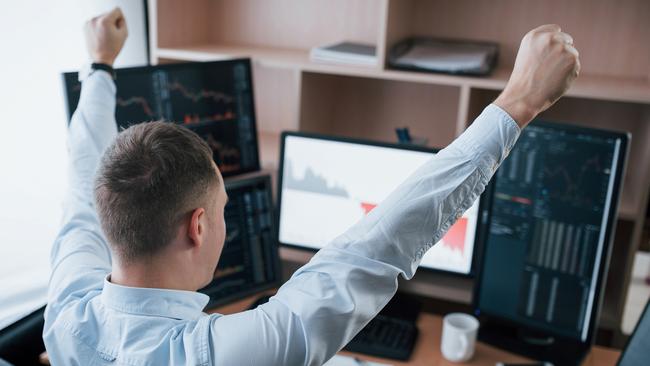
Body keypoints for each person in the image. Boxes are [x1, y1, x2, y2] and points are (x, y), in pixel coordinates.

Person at [43, 7, 580, 366]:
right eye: (223, 209)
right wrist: (519, 103)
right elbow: (376, 247)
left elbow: (80, 173)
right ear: (198, 226)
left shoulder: (65, 310)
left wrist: (100, 64)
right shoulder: (220, 354)